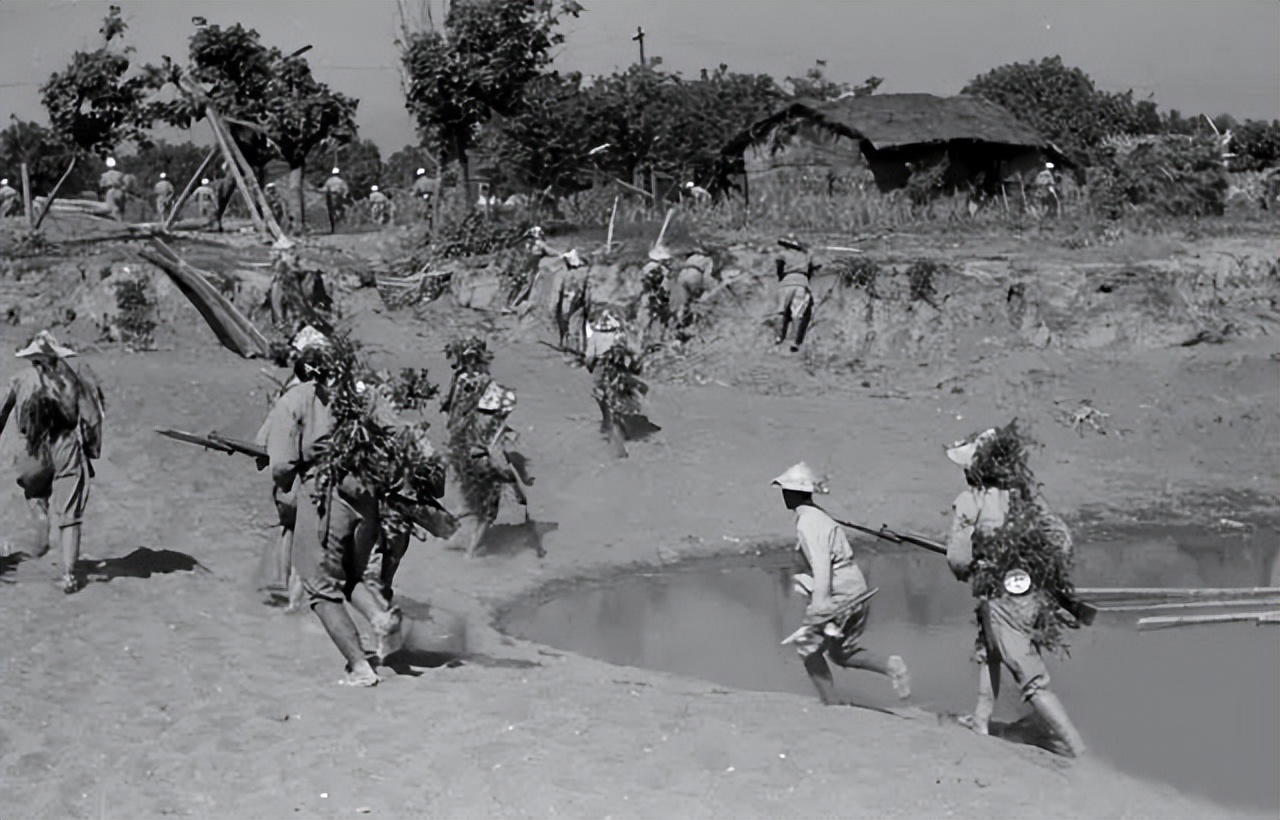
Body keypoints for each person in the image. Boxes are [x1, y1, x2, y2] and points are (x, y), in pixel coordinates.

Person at [263, 327, 401, 686]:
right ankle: (381, 619)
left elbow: (280, 465)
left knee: (320, 588)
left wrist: (289, 493)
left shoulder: (297, 400)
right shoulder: (367, 396)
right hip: (367, 502)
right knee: (352, 574)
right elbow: (398, 439)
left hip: (326, 500)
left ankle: (360, 666)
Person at [943, 425, 1087, 757]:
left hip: (1002, 596)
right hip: (1033, 593)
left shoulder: (970, 501)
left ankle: (1079, 751)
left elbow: (958, 560)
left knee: (1030, 677)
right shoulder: (1025, 494)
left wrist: (974, 564)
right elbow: (1059, 537)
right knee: (991, 651)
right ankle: (981, 720)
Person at [772, 462, 911, 706]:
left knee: (808, 648)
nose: (783, 494)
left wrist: (819, 605)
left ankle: (832, 704)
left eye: (786, 490)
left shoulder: (808, 522)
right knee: (841, 651)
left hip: (840, 591)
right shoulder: (816, 515)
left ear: (794, 492)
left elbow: (821, 564)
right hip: (854, 585)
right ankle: (892, 666)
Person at [0, 331, 105, 594]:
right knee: (70, 511)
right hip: (66, 445)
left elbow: (1, 411)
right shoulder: (74, 380)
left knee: (34, 491)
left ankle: (42, 525)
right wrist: (91, 450)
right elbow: (92, 419)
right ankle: (69, 575)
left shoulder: (20, 379)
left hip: (31, 448)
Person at [447, 380, 530, 559]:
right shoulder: (496, 424)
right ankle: (471, 552)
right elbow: (497, 454)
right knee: (488, 513)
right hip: (485, 465)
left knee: (470, 503)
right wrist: (516, 489)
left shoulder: (473, 416)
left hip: (466, 463)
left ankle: (447, 534)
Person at [584, 310, 645, 459]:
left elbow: (589, 358)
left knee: (602, 398)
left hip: (602, 370)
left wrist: (591, 368)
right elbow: (636, 356)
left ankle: (610, 426)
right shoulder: (622, 337)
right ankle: (619, 424)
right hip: (621, 372)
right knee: (622, 397)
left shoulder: (595, 338)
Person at [775, 236, 817, 352]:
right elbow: (814, 268)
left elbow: (779, 269)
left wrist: (781, 279)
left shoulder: (782, 254)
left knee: (781, 311)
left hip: (786, 283)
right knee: (797, 314)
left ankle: (779, 337)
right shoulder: (805, 255)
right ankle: (794, 342)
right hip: (801, 283)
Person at [553, 249, 590, 363]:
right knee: (575, 327)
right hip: (573, 303)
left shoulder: (571, 274)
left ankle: (573, 353)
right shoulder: (582, 273)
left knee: (571, 328)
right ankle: (574, 351)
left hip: (570, 304)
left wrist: (556, 304)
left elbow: (560, 290)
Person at [322, 167, 350, 234]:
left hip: (330, 197)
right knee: (341, 210)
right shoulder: (341, 181)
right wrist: (345, 196)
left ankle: (333, 228)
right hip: (338, 196)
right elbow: (346, 189)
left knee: (331, 212)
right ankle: (340, 224)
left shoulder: (329, 180)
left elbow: (325, 189)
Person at [99, 157, 127, 222]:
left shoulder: (104, 175)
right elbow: (124, 184)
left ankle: (113, 220)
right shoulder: (120, 174)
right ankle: (120, 219)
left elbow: (102, 186)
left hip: (110, 191)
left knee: (111, 207)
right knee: (120, 207)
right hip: (119, 191)